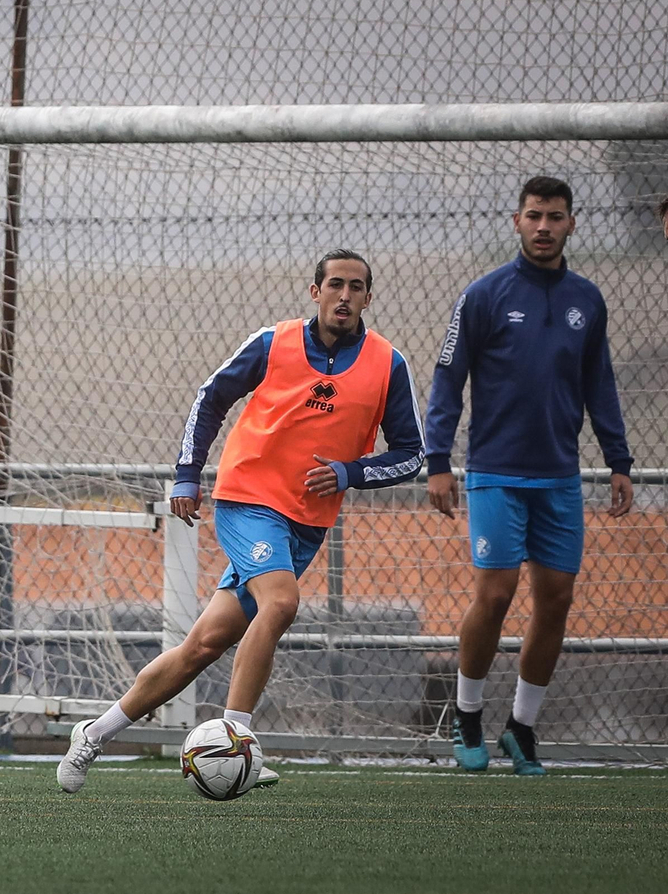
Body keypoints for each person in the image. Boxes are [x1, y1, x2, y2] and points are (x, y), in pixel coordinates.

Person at [56, 249, 424, 794]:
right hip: (248, 498)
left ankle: (94, 733)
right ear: (315, 291)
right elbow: (211, 399)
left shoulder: (387, 363)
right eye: (335, 285)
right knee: (281, 602)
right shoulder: (273, 342)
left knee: (203, 645)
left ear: (368, 297)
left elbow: (412, 455)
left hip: (306, 523)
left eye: (356, 287)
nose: (344, 295)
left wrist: (351, 473)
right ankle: (237, 739)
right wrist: (187, 475)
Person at [425, 176, 633, 776]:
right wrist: (438, 460)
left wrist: (618, 460)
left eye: (555, 217)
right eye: (535, 215)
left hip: (559, 478)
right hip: (495, 472)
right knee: (494, 596)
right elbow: (448, 379)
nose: (544, 227)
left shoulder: (587, 299)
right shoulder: (484, 295)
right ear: (517, 221)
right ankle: (467, 716)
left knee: (556, 600)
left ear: (571, 224)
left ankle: (521, 727)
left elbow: (599, 383)